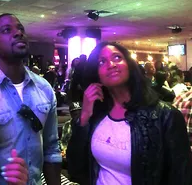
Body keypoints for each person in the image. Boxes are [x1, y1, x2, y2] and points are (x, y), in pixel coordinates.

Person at [67, 42, 192, 185]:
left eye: (117, 58)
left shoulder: (165, 115)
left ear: (129, 65)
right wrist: (84, 117)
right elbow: (75, 168)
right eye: (102, 61)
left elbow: (181, 175)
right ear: (96, 73)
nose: (111, 64)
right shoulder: (97, 115)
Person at [0, 13, 62, 185]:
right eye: (7, 30)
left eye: (21, 28)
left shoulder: (44, 88)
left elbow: (51, 149)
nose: (18, 33)